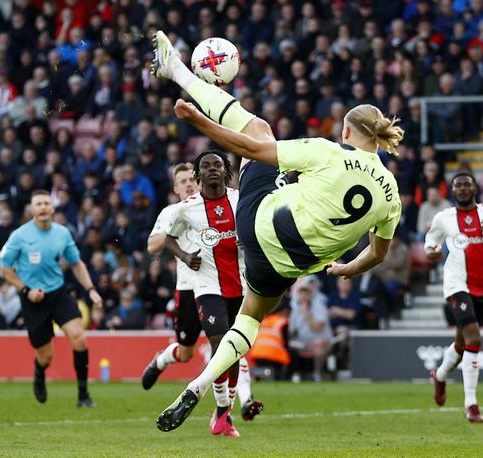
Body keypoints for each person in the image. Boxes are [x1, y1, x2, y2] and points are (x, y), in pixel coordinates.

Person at [151, 30, 402, 432]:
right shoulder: (392, 196)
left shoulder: (329, 151)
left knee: (260, 129)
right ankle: (200, 386)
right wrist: (347, 270)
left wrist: (199, 120)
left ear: (347, 133)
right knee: (251, 318)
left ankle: (177, 71)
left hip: (257, 223)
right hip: (289, 266)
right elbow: (378, 254)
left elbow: (251, 151)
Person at [152, 152, 264, 437]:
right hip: (206, 285)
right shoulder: (186, 208)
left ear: (226, 171)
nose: (212, 169)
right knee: (219, 341)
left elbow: (261, 227)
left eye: (217, 165)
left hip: (241, 282)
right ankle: (223, 409)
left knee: (235, 350)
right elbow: (168, 237)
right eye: (205, 166)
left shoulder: (241, 199)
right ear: (198, 176)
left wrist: (248, 237)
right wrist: (185, 255)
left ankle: (222, 414)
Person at [424, 172, 483, 423]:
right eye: (458, 186)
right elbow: (430, 242)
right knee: (474, 337)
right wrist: (431, 252)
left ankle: (440, 376)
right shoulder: (444, 218)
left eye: (467, 184)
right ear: (452, 190)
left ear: (475, 188)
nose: (463, 189)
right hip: (456, 285)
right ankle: (471, 404)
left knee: (462, 343)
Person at [0, 190, 102, 407]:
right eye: (38, 204)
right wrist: (26, 290)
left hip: (58, 293)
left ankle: (83, 395)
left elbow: (76, 264)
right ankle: (39, 372)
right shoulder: (20, 236)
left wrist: (91, 289)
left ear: (53, 208)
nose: (43, 207)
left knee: (79, 338)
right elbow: (5, 268)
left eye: (47, 202)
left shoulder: (62, 233)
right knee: (47, 356)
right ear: (32, 209)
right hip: (32, 298)